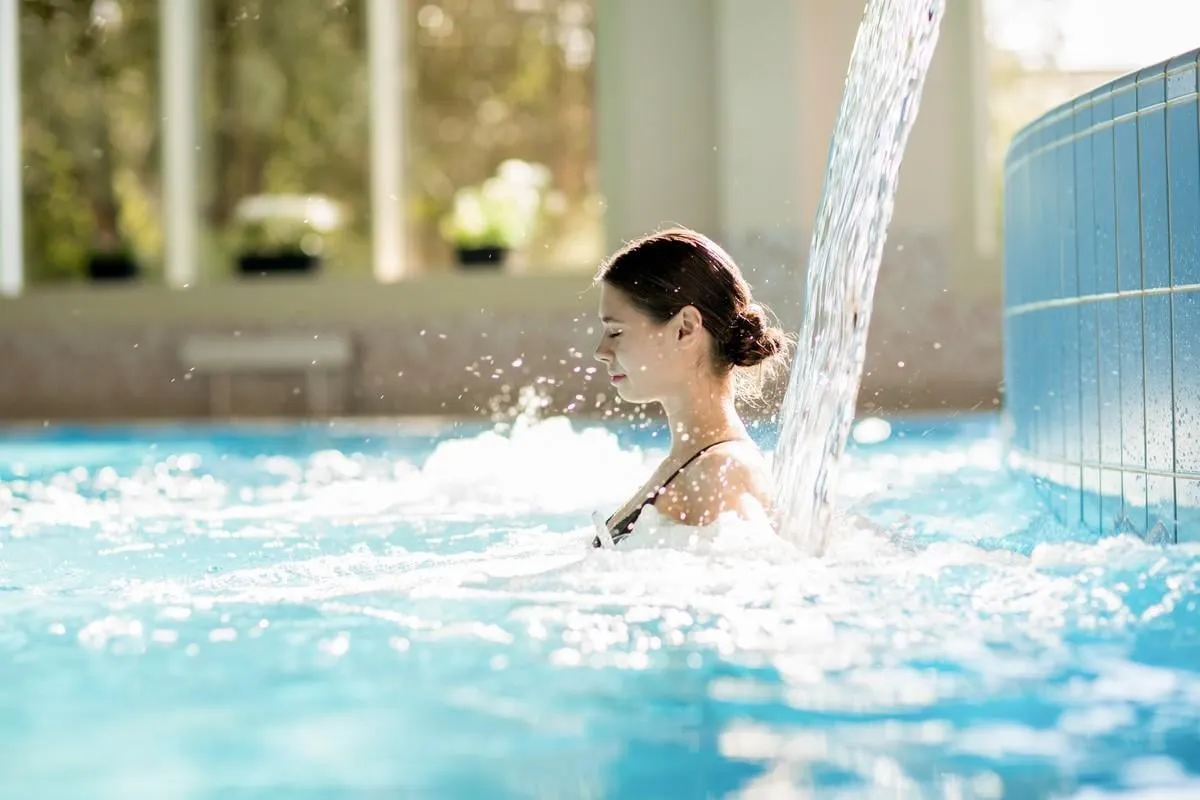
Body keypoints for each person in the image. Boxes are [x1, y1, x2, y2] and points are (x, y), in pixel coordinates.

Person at [591, 227, 792, 547]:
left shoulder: (719, 474)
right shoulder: (695, 464)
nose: (600, 352)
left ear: (685, 329)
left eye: (615, 332)